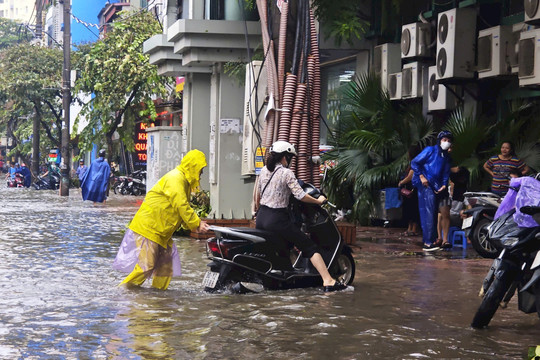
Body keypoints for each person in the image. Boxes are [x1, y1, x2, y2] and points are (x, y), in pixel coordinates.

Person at [254, 141, 346, 292]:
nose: (290, 161)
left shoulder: (264, 170)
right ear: (285, 157)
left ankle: (285, 279)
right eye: (289, 157)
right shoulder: (286, 173)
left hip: (261, 217)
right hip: (277, 219)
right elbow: (300, 195)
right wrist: (318, 200)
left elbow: (257, 195)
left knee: (282, 246)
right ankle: (328, 280)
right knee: (308, 246)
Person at [113, 149, 210, 290]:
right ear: (193, 167)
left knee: (165, 266)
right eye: (200, 169)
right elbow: (181, 204)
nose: (201, 174)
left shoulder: (183, 182)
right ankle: (123, 291)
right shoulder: (176, 179)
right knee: (147, 265)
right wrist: (196, 223)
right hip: (149, 228)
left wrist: (196, 224)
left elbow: (179, 209)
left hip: (161, 232)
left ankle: (158, 296)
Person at [411, 131, 453, 251]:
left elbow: (445, 172)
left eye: (449, 141)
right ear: (439, 140)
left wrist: (444, 184)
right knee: (428, 212)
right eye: (444, 140)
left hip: (435, 185)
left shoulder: (446, 157)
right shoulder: (430, 150)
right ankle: (428, 242)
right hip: (425, 183)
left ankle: (431, 240)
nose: (447, 142)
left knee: (433, 213)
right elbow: (415, 162)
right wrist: (421, 176)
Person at [398, 146, 421, 237]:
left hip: (414, 190)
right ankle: (409, 228)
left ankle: (414, 229)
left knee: (413, 210)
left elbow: (411, 176)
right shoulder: (412, 163)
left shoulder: (416, 163)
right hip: (409, 191)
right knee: (408, 210)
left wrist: (401, 182)